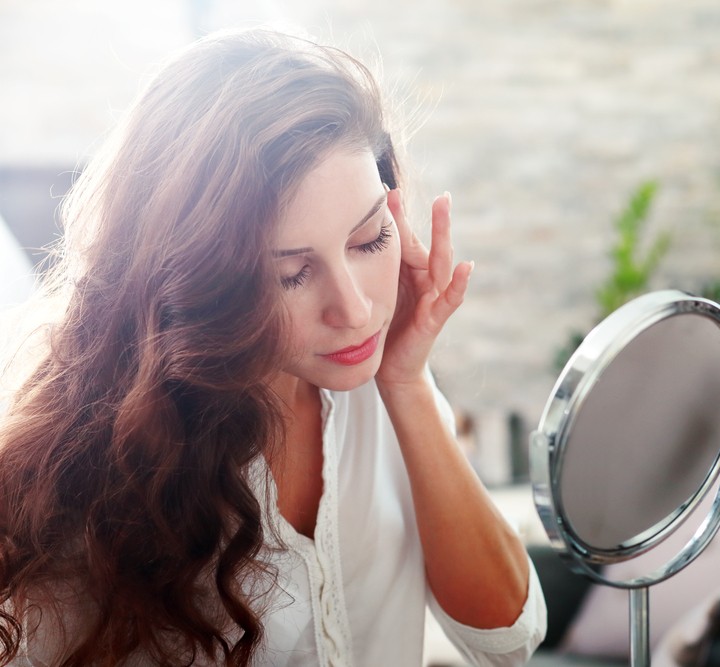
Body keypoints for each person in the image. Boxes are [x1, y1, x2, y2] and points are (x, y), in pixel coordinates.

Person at [0, 27, 545, 666]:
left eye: (369, 240)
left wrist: (407, 384)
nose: (356, 309)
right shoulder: (95, 462)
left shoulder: (380, 383)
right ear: (201, 281)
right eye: (290, 273)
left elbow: (507, 640)